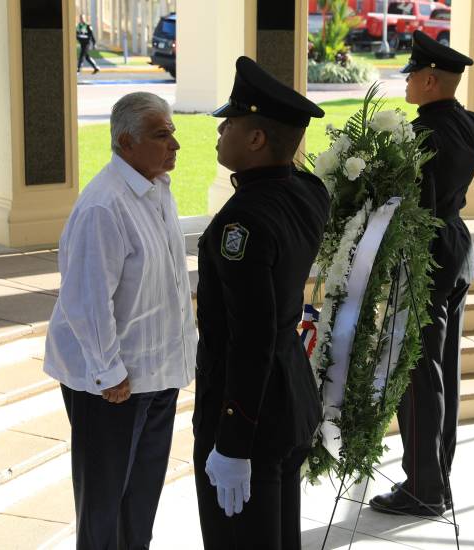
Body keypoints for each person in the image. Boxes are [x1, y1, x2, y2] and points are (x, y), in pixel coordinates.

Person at [43, 92, 196, 549]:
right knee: (103, 506)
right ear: (126, 142)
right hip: (113, 384)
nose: (175, 144)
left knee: (141, 499)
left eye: (172, 132)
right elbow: (86, 301)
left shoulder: (157, 189)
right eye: (161, 134)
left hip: (157, 374)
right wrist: (110, 372)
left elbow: (164, 279)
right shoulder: (103, 206)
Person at [193, 56, 329, 550]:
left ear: (256, 140)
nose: (221, 129)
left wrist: (231, 444)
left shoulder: (242, 224)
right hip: (288, 396)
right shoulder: (310, 192)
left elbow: (250, 339)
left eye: (231, 122)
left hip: (247, 414)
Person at [369, 30, 474, 517]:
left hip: (425, 258)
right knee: (442, 374)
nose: (409, 82)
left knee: (416, 372)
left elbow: (408, 205)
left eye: (413, 74)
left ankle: (424, 489)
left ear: (432, 79)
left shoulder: (422, 138)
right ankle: (438, 477)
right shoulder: (469, 125)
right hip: (457, 248)